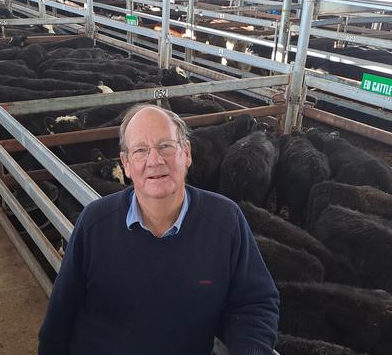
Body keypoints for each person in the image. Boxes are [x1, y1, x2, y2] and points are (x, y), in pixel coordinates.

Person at [38, 104, 279, 355]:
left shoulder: (225, 219)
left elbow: (255, 301)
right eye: (141, 150)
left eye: (165, 146)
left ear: (186, 152)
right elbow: (59, 319)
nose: (155, 160)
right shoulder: (94, 223)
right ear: (126, 164)